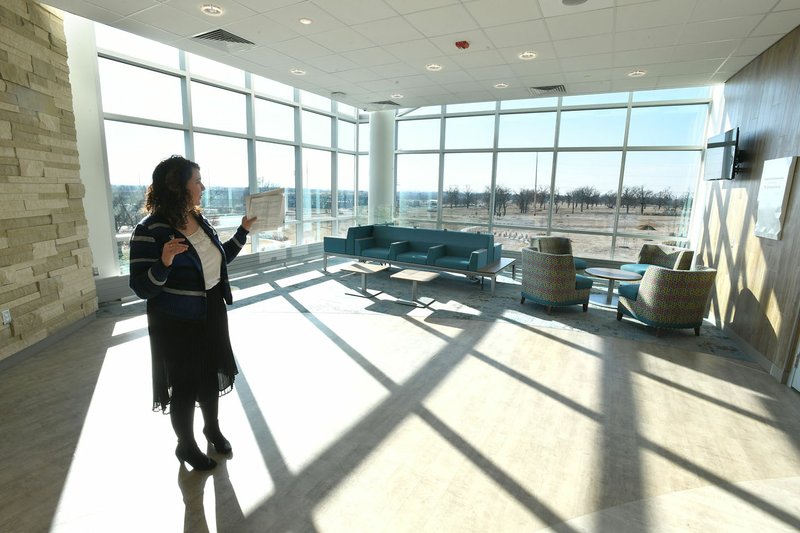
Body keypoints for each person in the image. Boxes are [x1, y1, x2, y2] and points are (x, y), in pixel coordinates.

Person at [129, 155, 256, 471]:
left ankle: (211, 429)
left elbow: (217, 259)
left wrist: (242, 231)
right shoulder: (150, 231)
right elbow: (142, 287)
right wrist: (164, 263)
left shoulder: (198, 219)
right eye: (196, 181)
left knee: (210, 376)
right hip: (176, 321)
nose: (202, 186)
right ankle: (185, 445)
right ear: (177, 188)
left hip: (211, 310)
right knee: (184, 386)